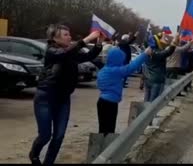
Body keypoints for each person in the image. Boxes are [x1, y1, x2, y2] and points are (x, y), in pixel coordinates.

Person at [29, 25, 102, 165]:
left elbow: (88, 56)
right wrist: (86, 40)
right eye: (66, 35)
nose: (70, 37)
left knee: (59, 136)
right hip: (46, 97)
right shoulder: (51, 51)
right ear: (54, 38)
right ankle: (34, 154)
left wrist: (98, 43)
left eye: (69, 34)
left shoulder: (70, 53)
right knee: (45, 135)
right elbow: (63, 54)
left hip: (63, 99)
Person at [96, 46, 152, 135]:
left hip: (102, 101)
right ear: (117, 59)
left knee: (102, 128)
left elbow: (98, 84)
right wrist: (144, 54)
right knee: (109, 129)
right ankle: (108, 147)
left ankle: (102, 146)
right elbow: (132, 66)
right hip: (110, 103)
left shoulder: (104, 70)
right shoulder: (116, 71)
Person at [144, 32, 179, 102]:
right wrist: (175, 40)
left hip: (147, 79)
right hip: (156, 81)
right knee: (153, 103)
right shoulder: (157, 53)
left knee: (146, 101)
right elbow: (169, 51)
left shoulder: (147, 51)